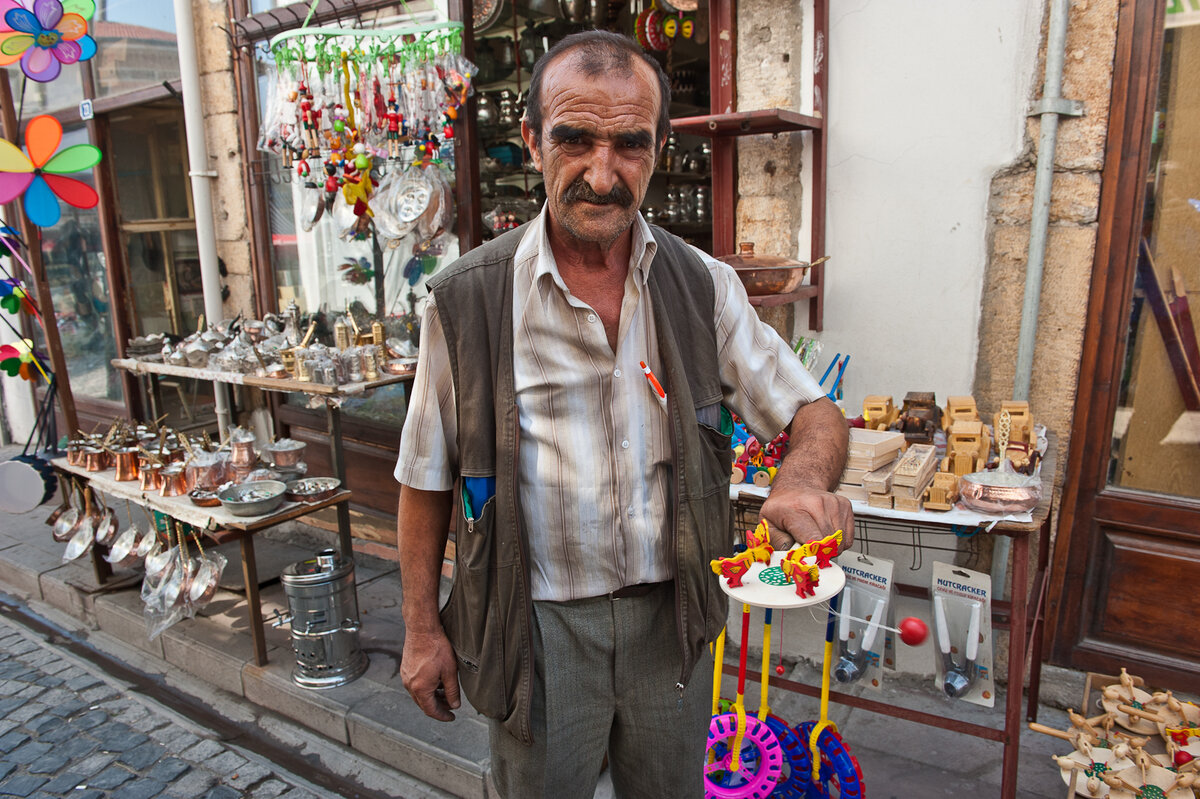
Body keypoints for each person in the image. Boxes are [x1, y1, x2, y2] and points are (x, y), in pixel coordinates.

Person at [394, 30, 852, 798]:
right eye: (574, 139)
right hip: (534, 629)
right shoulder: (468, 300)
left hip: (672, 624)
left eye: (629, 145)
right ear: (534, 142)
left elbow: (814, 411)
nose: (601, 174)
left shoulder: (701, 286)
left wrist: (803, 477)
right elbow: (425, 475)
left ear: (659, 149)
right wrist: (419, 627)